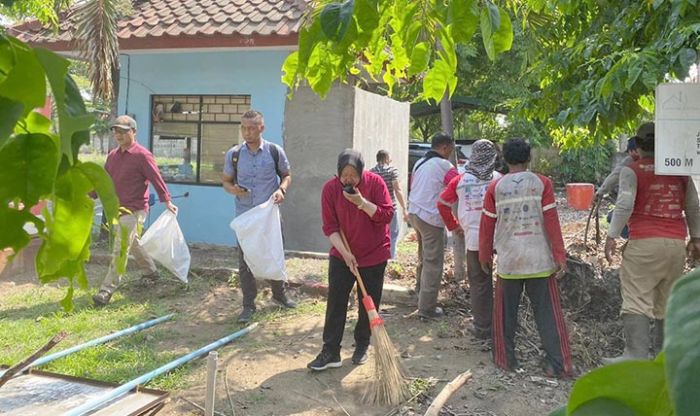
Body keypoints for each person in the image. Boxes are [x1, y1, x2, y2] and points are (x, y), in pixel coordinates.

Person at [604, 122, 700, 362]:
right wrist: (696, 238)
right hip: (676, 244)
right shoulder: (681, 173)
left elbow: (625, 204)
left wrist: (611, 235)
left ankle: (635, 354)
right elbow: (693, 207)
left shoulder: (632, 171)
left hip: (644, 244)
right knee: (666, 300)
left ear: (638, 144)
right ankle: (663, 357)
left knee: (637, 298)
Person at [479, 138, 572, 377]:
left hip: (509, 261)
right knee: (548, 313)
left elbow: (487, 225)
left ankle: (505, 360)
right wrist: (559, 254)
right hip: (539, 259)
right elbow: (552, 222)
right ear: (529, 158)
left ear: (505, 159)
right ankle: (557, 364)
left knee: (505, 315)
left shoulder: (495, 188)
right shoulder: (543, 183)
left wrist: (484, 254)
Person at [307, 149, 394, 371]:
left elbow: (386, 215)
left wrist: (362, 202)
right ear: (337, 173)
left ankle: (362, 345)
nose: (348, 179)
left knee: (369, 303)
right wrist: (345, 254)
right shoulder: (330, 189)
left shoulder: (375, 184)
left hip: (374, 253)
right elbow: (330, 227)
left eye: (353, 174)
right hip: (343, 254)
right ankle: (331, 351)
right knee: (336, 301)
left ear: (361, 172)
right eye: (343, 174)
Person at [92, 115, 178, 307]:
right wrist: (91, 194)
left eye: (123, 131)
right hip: (117, 209)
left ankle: (107, 289)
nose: (118, 134)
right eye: (116, 131)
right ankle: (151, 272)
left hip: (135, 209)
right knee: (132, 243)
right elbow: (104, 180)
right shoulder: (113, 155)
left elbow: (156, 179)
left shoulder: (142, 155)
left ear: (133, 132)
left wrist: (167, 201)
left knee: (120, 247)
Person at [223, 110, 296, 323]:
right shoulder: (234, 154)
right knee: (245, 262)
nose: (247, 132)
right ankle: (248, 305)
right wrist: (233, 189)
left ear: (261, 128)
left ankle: (280, 296)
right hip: (246, 218)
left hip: (269, 216)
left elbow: (287, 175)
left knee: (274, 253)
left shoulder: (274, 151)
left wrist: (281, 190)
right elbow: (226, 181)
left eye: (252, 128)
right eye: (244, 128)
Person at [437, 139, 501, 339]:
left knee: (479, 283)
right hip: (500, 237)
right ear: (493, 156)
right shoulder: (499, 179)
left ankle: (483, 328)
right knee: (504, 281)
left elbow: (442, 204)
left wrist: (454, 226)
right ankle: (502, 324)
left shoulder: (461, 179)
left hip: (473, 238)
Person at [407, 133, 459, 319]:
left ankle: (419, 295)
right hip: (430, 217)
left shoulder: (420, 162)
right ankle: (427, 309)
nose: (451, 153)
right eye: (451, 149)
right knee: (433, 263)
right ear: (445, 147)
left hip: (414, 213)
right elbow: (459, 186)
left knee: (423, 257)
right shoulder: (444, 165)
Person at [370, 150, 408, 259]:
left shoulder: (372, 172)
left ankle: (377, 256)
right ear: (386, 158)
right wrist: (404, 208)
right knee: (393, 233)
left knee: (377, 233)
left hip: (375, 208)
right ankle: (390, 257)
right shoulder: (392, 171)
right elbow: (397, 189)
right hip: (390, 206)